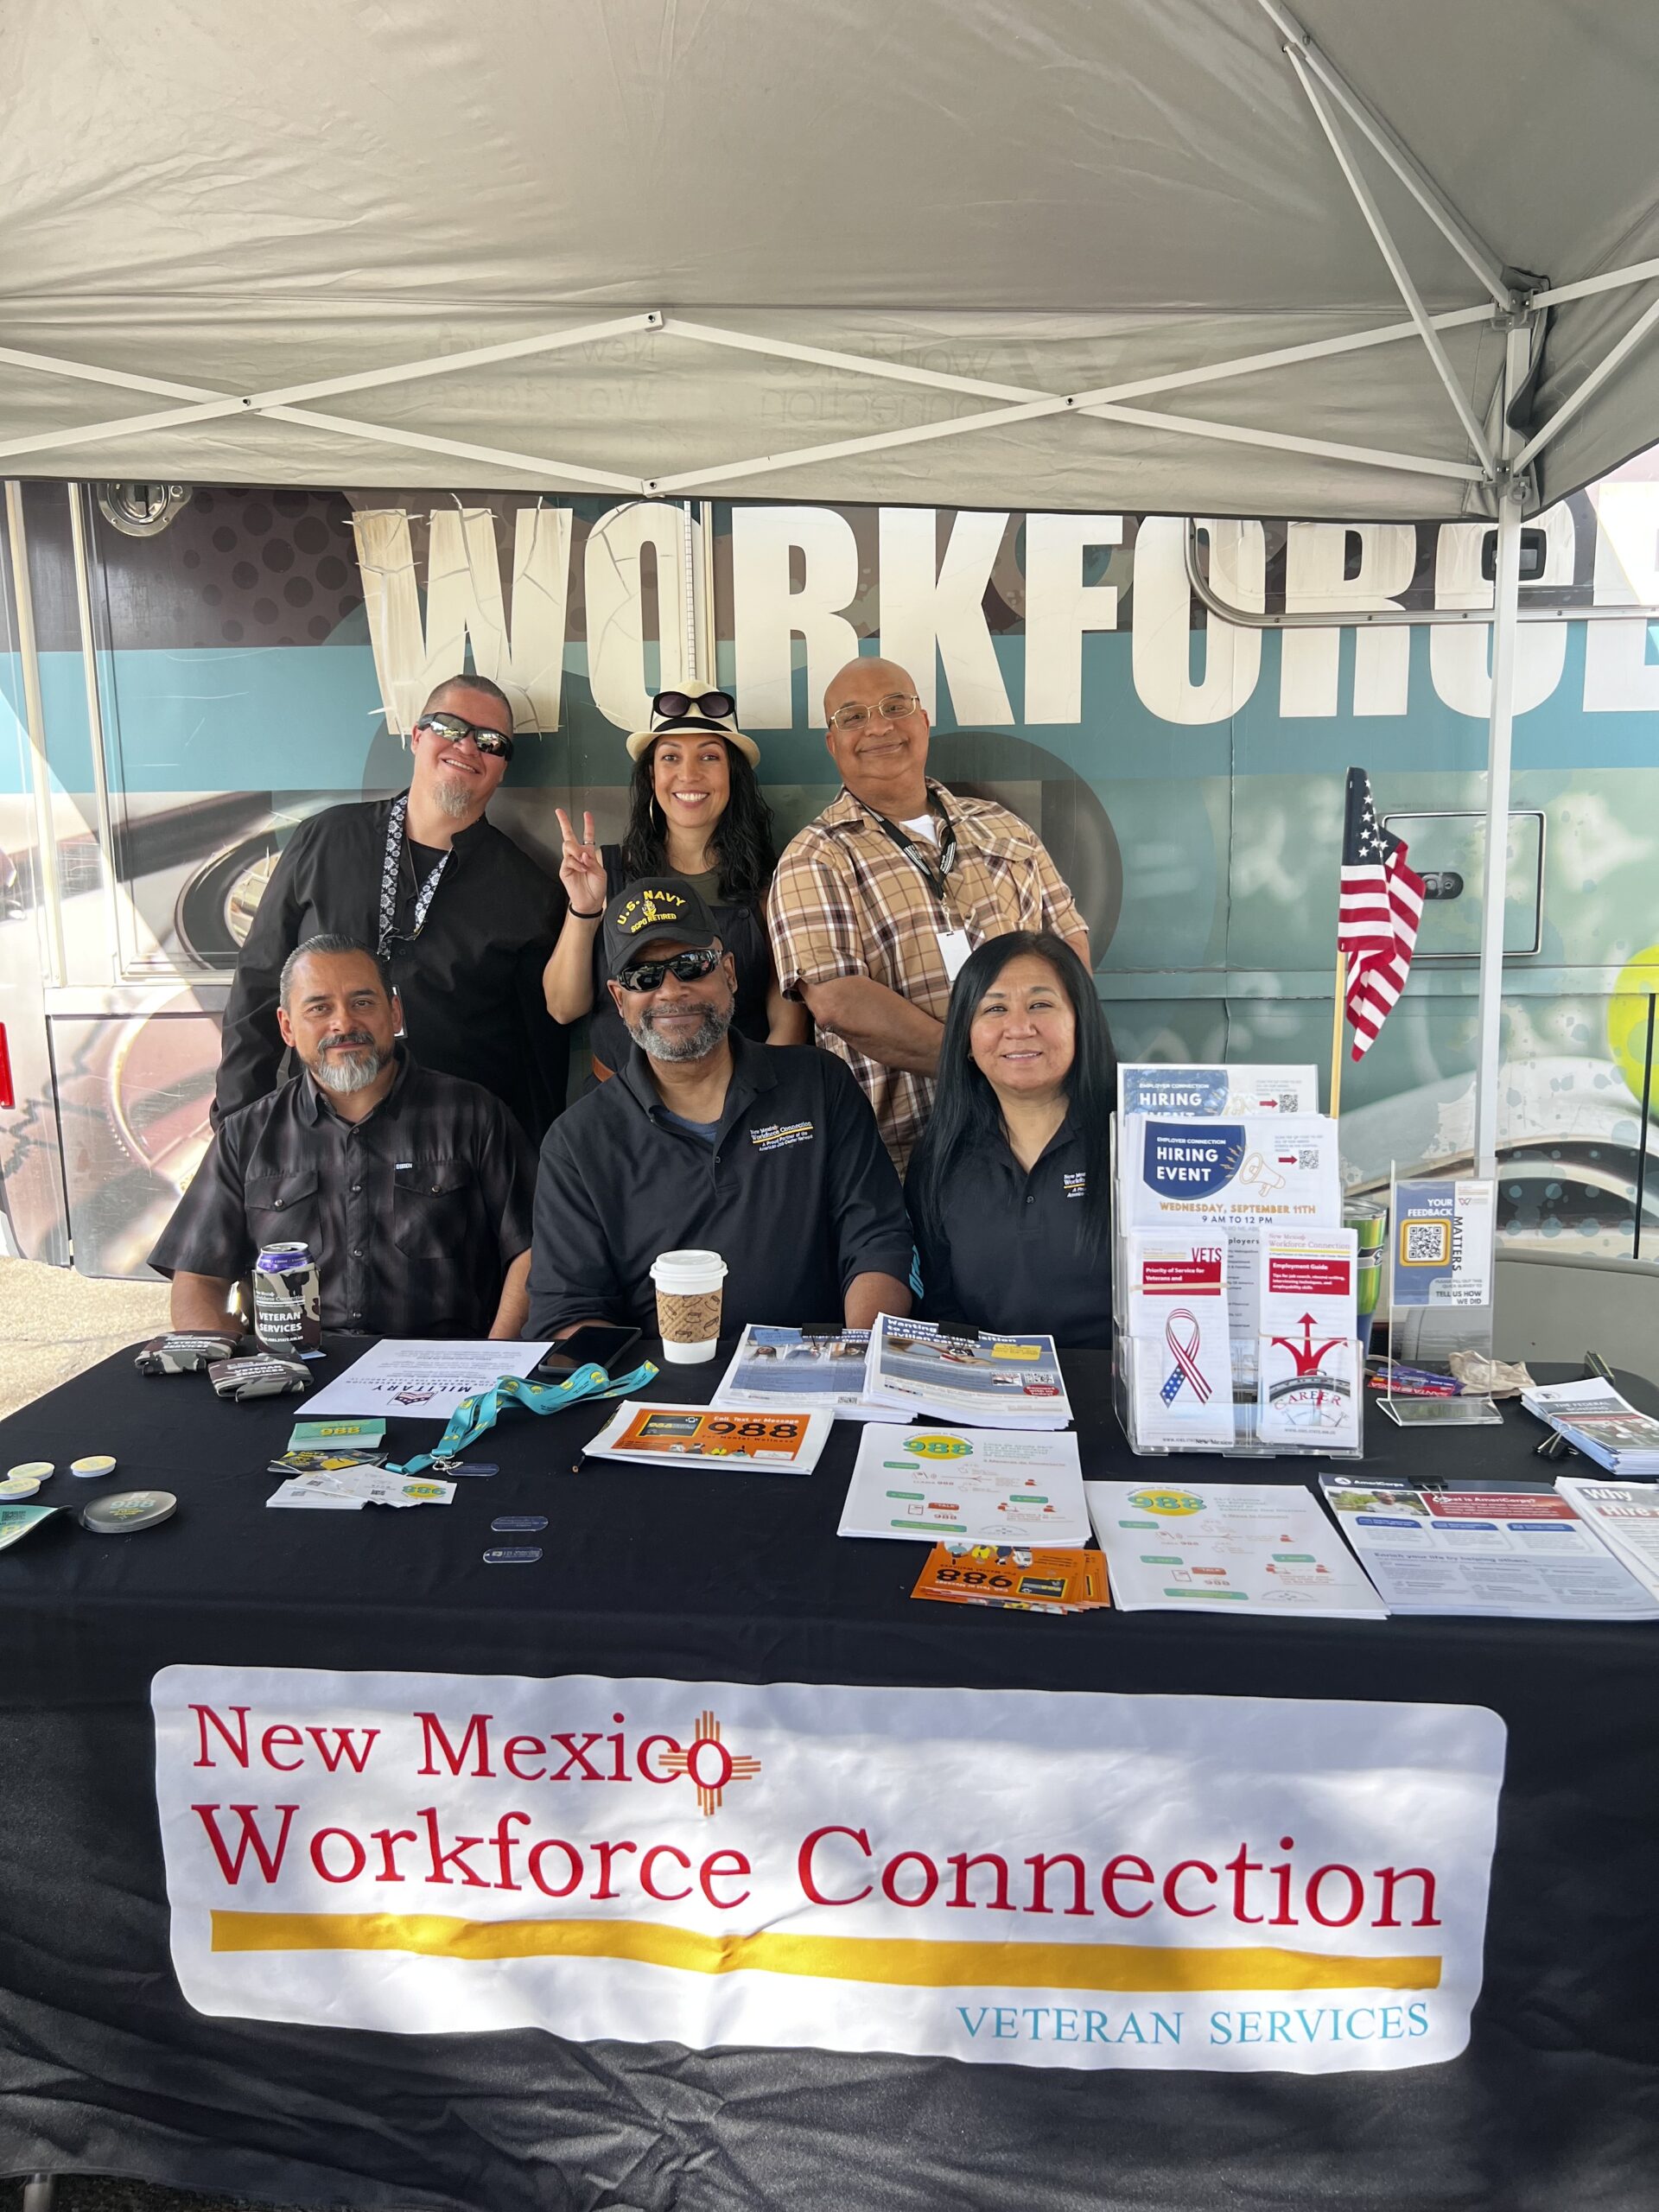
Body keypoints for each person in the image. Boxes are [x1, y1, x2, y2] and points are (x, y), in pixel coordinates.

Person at [527, 878, 912, 1339]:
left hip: (818, 1377)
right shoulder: (578, 1141)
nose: (670, 992)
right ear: (619, 999)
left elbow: (875, 1240)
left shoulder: (819, 1083)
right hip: (657, 1393)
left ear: (729, 972)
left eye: (691, 965)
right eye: (643, 977)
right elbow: (568, 1310)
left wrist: (861, 1356)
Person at [767, 655, 1090, 1172]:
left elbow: (1070, 944)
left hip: (1042, 1143)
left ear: (922, 721)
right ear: (832, 743)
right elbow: (837, 1002)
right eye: (852, 717)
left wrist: (1029, 1055)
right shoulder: (815, 857)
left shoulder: (1003, 827)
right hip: (900, 1160)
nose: (878, 726)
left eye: (896, 706)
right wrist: (987, 1057)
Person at [213, 673, 567, 1141]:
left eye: (490, 741)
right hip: (320, 1139)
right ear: (417, 735)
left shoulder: (529, 891)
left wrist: (531, 1173)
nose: (467, 746)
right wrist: (238, 1127)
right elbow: (259, 981)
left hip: (453, 1153)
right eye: (450, 727)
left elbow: (537, 1054)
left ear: (502, 766)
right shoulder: (326, 839)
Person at [154, 937, 535, 1339]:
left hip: (441, 1381)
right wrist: (233, 1373)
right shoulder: (246, 1136)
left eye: (363, 1003)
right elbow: (196, 1279)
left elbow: (531, 1251)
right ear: (287, 1027)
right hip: (293, 1382)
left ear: (395, 1013)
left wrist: (494, 1366)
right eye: (319, 1008)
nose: (344, 1023)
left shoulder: (474, 1115)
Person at [543, 688, 805, 1077]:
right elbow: (564, 1008)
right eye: (670, 757)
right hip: (620, 1112)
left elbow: (788, 1024)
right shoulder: (603, 871)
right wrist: (584, 909)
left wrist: (751, 1107)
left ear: (732, 774)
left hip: (734, 1109)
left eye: (709, 756)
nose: (689, 774)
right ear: (652, 775)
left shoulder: (769, 886)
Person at [905, 931, 1116, 1350]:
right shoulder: (939, 1156)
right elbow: (940, 1310)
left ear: (1081, 1022)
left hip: (1117, 1396)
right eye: (995, 1008)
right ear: (966, 1039)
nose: (1019, 1028)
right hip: (988, 1394)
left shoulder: (1137, 1138)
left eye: (1040, 1004)